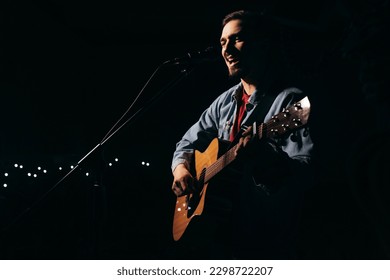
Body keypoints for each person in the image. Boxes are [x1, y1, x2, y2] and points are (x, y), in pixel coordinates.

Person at [170, 9, 314, 260]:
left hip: (268, 237)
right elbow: (186, 143)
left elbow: (304, 171)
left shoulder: (291, 102)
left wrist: (265, 159)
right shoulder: (224, 102)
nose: (227, 50)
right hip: (223, 236)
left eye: (237, 39)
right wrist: (181, 170)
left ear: (263, 44)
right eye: (223, 42)